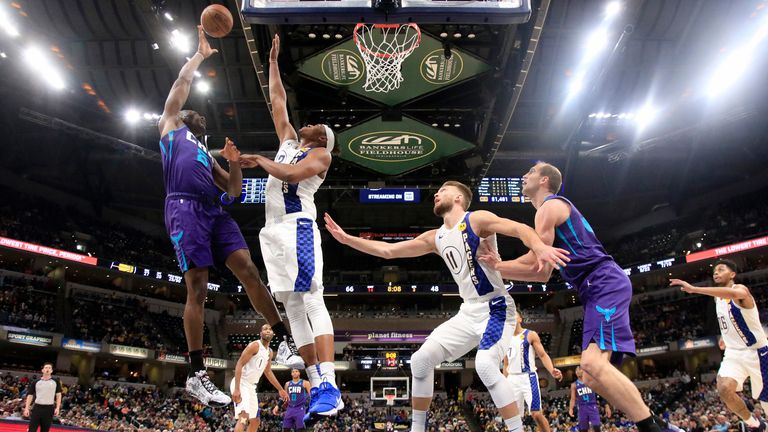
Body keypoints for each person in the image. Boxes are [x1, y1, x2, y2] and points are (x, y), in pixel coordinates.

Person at [324, 180, 570, 432]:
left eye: (443, 190)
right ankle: (417, 429)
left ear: (459, 198)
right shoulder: (436, 236)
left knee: (485, 365)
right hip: (468, 312)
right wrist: (346, 239)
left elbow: (519, 228)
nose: (436, 194)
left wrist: (539, 247)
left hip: (495, 308)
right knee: (420, 361)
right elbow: (389, 250)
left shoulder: (477, 220)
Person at [157, 26, 301, 407]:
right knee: (198, 288)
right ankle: (196, 374)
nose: (198, 114)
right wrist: (200, 54)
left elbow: (234, 191)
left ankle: (283, 340)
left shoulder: (206, 152)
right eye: (194, 112)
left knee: (248, 270)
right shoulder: (171, 127)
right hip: (184, 208)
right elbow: (182, 82)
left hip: (214, 212)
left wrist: (234, 163)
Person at [478, 161, 668, 432]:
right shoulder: (548, 210)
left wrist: (498, 266)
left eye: (530, 172)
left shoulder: (549, 207)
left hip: (603, 281)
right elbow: (542, 274)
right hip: (594, 289)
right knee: (591, 375)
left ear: (544, 180)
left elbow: (536, 262)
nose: (523, 176)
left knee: (590, 364)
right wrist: (500, 268)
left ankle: (651, 426)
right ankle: (654, 422)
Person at [239, 34, 341, 416]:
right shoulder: (288, 139)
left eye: (316, 124)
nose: (309, 122)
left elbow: (293, 174)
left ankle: (330, 380)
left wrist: (261, 161)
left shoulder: (320, 155)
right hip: (273, 231)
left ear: (322, 139)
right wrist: (273, 63)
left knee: (311, 298)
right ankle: (317, 385)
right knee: (293, 308)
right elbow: (278, 101)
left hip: (298, 226)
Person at [671, 259, 768, 431]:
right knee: (723, 388)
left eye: (721, 269)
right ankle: (755, 424)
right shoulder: (718, 300)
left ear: (732, 274)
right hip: (734, 353)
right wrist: (726, 338)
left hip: (758, 353)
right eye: (714, 270)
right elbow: (728, 322)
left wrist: (694, 289)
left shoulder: (740, 290)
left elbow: (733, 297)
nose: (716, 272)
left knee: (766, 403)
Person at [502, 307, 563, 432]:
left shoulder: (530, 334)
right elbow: (505, 363)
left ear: (520, 319)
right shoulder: (505, 339)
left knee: (536, 414)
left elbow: (542, 355)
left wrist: (552, 370)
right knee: (514, 418)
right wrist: (504, 381)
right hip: (512, 379)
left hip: (528, 377)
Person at [231, 324, 288, 432]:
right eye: (265, 329)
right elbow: (239, 364)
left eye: (270, 329)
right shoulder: (254, 345)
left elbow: (268, 371)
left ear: (273, 334)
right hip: (241, 383)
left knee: (256, 420)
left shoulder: (270, 352)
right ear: (261, 333)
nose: (268, 331)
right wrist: (237, 388)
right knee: (244, 416)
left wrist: (280, 389)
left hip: (251, 387)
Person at [569, 366, 611, 432]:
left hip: (592, 406)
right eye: (577, 370)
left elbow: (601, 394)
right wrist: (571, 408)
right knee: (583, 429)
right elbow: (573, 399)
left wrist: (607, 406)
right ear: (576, 373)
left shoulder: (592, 382)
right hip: (582, 407)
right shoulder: (574, 385)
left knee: (596, 427)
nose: (579, 371)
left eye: (580, 369)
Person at [23, 363, 61, 432]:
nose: (47, 369)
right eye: (46, 367)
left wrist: (58, 408)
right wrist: (26, 408)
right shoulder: (36, 382)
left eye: (49, 368)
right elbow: (30, 395)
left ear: (52, 371)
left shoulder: (56, 381)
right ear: (42, 370)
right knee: (31, 429)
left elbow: (58, 395)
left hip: (49, 409)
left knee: (45, 430)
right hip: (37, 408)